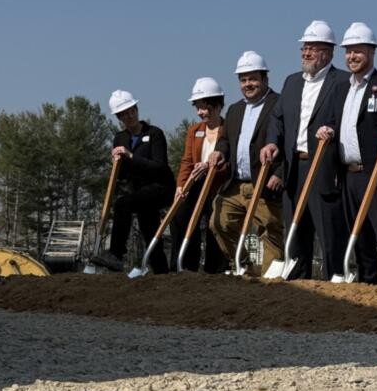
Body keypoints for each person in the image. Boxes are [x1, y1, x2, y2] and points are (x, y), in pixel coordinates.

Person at [260, 21, 348, 280]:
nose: (306, 53)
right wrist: (272, 141)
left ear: (329, 52)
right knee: (296, 228)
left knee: (328, 229)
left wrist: (331, 129)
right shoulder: (291, 82)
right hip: (294, 167)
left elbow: (347, 118)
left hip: (323, 164)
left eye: (313, 48)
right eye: (304, 48)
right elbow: (277, 118)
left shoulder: (342, 82)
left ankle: (335, 280)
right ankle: (299, 284)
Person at [324, 22, 377, 284]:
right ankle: (366, 284)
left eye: (358, 51)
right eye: (348, 51)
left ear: (372, 52)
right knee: (358, 232)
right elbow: (334, 123)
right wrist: (326, 130)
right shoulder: (341, 89)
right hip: (349, 173)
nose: (352, 57)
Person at [209, 51, 284, 276]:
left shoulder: (279, 104)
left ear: (265, 79)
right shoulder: (235, 110)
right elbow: (225, 140)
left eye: (253, 78)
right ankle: (244, 264)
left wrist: (279, 173)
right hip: (236, 183)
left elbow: (288, 142)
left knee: (270, 229)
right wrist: (219, 153)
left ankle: (272, 279)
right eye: (243, 80)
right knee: (219, 223)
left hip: (264, 182)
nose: (248, 84)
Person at [102, 90, 176, 275]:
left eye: (132, 110)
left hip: (161, 188)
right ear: (119, 117)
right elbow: (124, 176)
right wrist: (117, 164)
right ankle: (161, 272)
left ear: (137, 109)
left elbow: (159, 167)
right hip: (141, 193)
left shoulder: (154, 134)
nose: (130, 116)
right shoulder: (120, 138)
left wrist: (131, 156)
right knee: (149, 230)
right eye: (124, 114)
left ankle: (116, 254)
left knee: (123, 204)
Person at [170, 78, 229, 272]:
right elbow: (187, 161)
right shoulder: (194, 131)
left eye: (205, 108)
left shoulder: (229, 130)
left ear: (217, 106)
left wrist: (212, 168)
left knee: (216, 222)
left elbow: (231, 162)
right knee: (181, 216)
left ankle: (215, 268)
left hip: (218, 185)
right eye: (198, 107)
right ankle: (186, 265)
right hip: (196, 184)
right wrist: (180, 185)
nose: (200, 112)